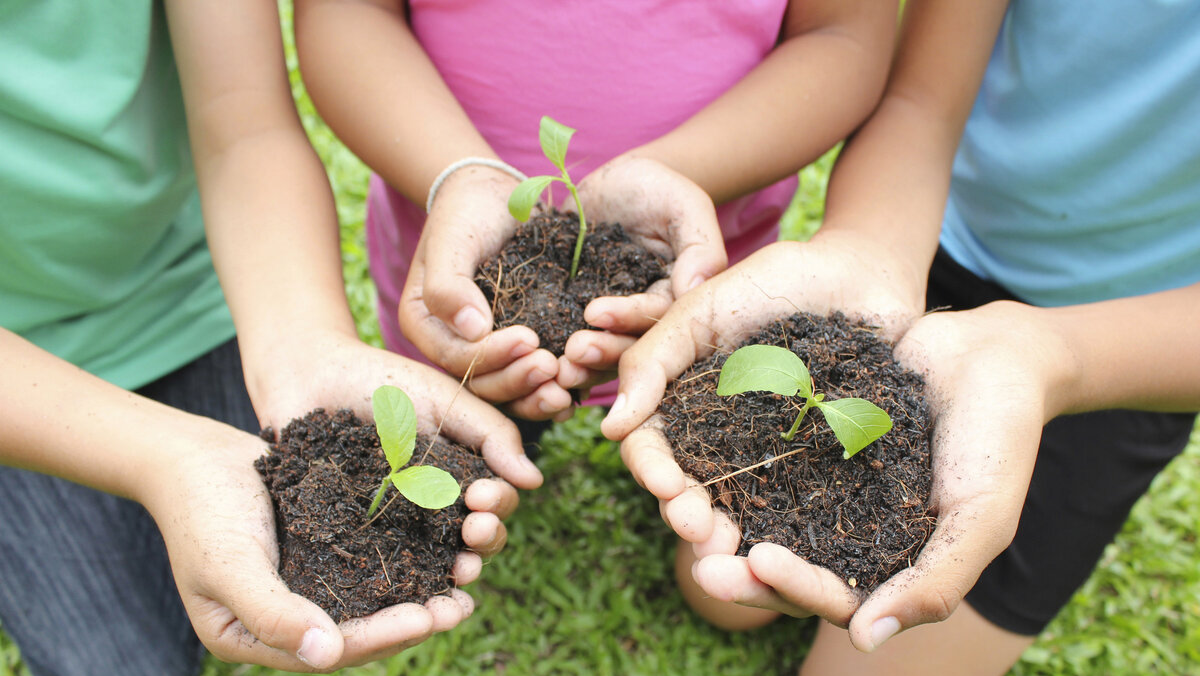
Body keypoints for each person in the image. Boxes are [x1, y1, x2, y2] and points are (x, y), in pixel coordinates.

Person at [601, 0, 1200, 676]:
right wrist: (869, 245)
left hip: (1142, 347)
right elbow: (919, 100)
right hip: (931, 232)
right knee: (723, 591)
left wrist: (1051, 354)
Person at [0, 2, 542, 676]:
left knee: (261, 514)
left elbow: (244, 126)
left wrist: (302, 343)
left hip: (206, 284)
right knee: (128, 675)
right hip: (20, 354)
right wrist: (162, 456)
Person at [292, 0, 898, 425]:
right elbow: (349, 12)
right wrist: (459, 173)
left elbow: (841, 38)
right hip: (458, 249)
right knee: (466, 401)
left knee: (699, 417)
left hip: (700, 257)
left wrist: (676, 168)